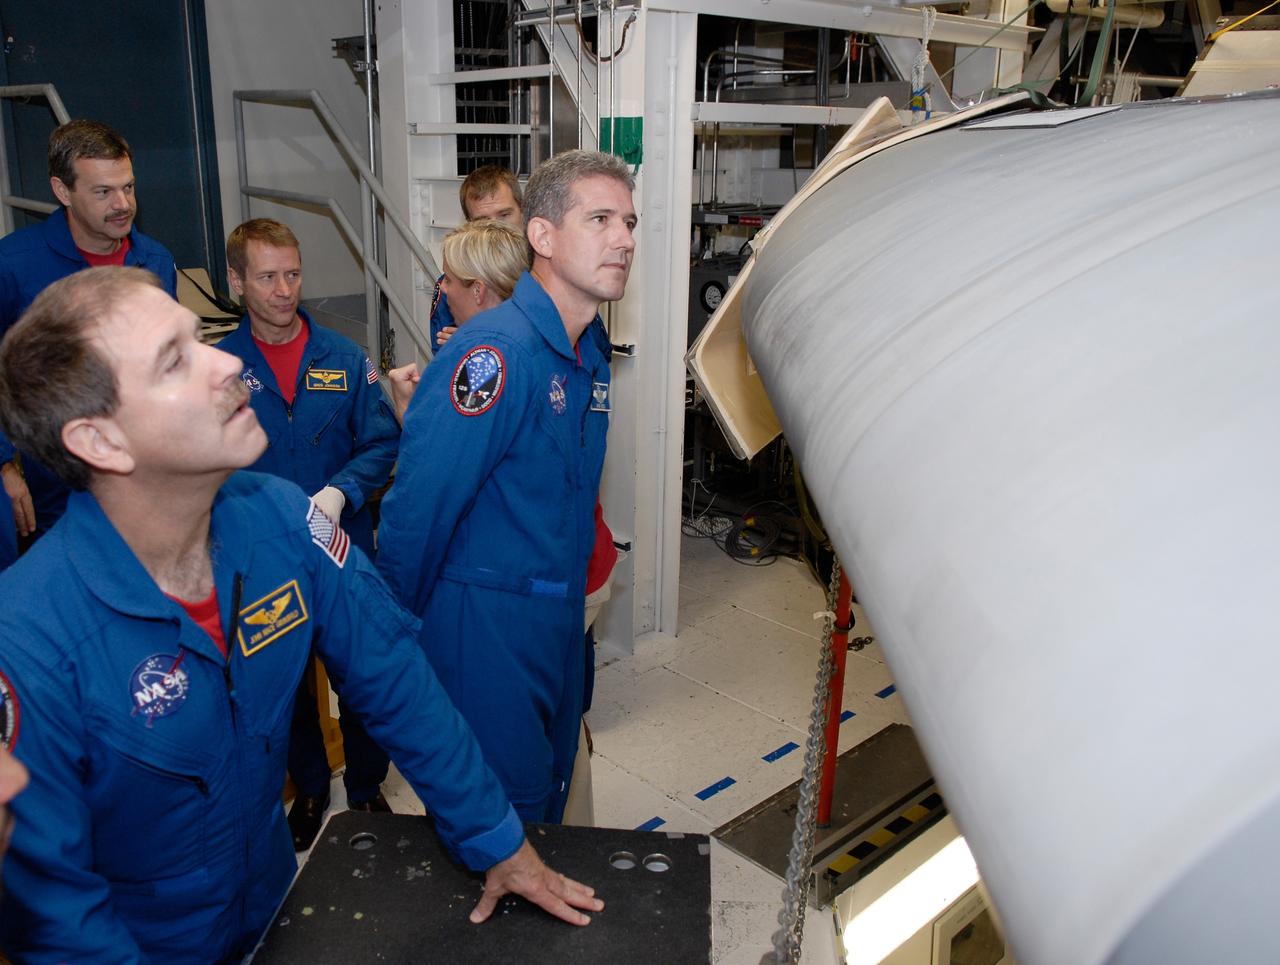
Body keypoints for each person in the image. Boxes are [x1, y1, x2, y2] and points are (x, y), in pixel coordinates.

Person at [0, 268, 601, 962]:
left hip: (275, 907)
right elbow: (58, 914)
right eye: (176, 359)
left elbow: (396, 680)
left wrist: (499, 839)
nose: (230, 362)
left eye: (203, 340)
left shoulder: (284, 521)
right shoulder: (29, 639)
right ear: (99, 440)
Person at [377, 150, 636, 823]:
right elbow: (418, 510)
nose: (624, 239)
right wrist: (391, 645)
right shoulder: (494, 353)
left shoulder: (584, 356)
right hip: (487, 625)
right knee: (502, 815)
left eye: (630, 222)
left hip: (555, 615)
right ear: (542, 237)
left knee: (550, 792)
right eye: (601, 218)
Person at [217, 218, 399, 849]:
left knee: (363, 675)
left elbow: (382, 442)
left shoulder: (345, 359)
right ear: (236, 280)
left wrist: (342, 490)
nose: (284, 290)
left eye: (292, 274)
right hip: (263, 560)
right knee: (286, 684)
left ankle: (368, 786)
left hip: (345, 548)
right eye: (266, 277)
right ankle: (312, 786)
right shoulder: (217, 370)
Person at [0, 120, 177, 567]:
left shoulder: (154, 261)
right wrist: (3, 464)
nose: (123, 205)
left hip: (141, 480)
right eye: (103, 192)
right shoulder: (14, 265)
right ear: (63, 191)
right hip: (54, 489)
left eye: (129, 187)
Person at [387, 218, 527, 420]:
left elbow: (435, 449)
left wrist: (406, 405)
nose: (442, 287)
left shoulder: (483, 364)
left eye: (449, 279)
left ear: (478, 290)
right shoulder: (534, 337)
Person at [429, 165, 525, 348]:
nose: (496, 227)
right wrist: (463, 347)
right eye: (484, 222)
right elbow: (444, 357)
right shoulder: (453, 286)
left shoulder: (551, 275)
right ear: (470, 225)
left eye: (504, 215)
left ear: (523, 211)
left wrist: (481, 340)